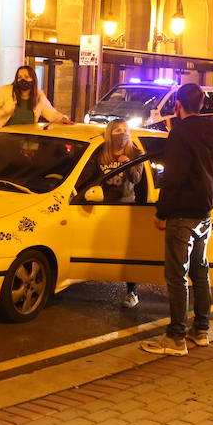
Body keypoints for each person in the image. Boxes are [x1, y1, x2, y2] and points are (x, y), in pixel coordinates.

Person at [140, 82, 213, 356]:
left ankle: (175, 337)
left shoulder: (179, 134)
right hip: (205, 211)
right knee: (200, 272)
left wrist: (161, 212)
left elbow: (173, 178)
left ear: (177, 106)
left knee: (176, 276)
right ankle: (201, 330)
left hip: (183, 212)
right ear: (201, 105)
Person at [96, 120, 144, 309]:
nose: (122, 133)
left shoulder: (135, 153)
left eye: (125, 130)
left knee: (127, 251)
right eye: (117, 130)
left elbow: (136, 179)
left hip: (125, 206)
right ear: (110, 133)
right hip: (102, 206)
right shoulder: (101, 154)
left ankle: (132, 291)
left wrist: (129, 163)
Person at [0, 65, 71, 131]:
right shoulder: (6, 91)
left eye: (26, 77)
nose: (22, 80)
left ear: (33, 79)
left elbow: (51, 113)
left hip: (23, 141)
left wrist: (62, 119)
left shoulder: (39, 96)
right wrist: (1, 113)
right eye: (19, 77)